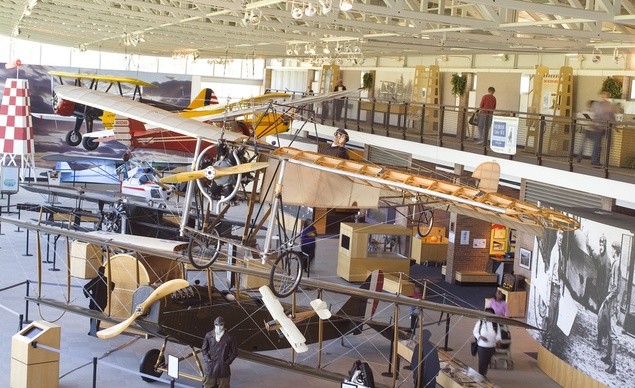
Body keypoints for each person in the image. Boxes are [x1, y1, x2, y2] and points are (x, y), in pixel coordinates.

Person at [600, 241, 621, 374]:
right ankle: (608, 357)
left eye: (613, 249)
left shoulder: (617, 264)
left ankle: (613, 365)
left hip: (612, 302)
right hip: (611, 300)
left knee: (613, 334)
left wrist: (609, 297)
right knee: (608, 329)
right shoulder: (615, 263)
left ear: (615, 250)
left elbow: (617, 288)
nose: (611, 251)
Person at [201, 316, 238, 388]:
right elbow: (204, 349)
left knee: (224, 386)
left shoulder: (230, 337)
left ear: (224, 324)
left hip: (223, 368)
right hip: (210, 368)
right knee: (208, 386)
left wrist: (227, 362)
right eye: (216, 325)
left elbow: (235, 352)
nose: (218, 327)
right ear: (214, 324)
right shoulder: (209, 335)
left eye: (221, 325)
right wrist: (207, 360)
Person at [83, 266, 114, 336]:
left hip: (95, 300)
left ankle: (93, 329)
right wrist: (109, 292)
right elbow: (113, 285)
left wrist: (89, 295)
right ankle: (96, 328)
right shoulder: (106, 280)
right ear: (104, 272)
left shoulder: (95, 280)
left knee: (93, 315)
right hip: (102, 300)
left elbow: (85, 288)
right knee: (99, 314)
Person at [546, 229, 564, 346]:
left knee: (556, 310)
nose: (561, 240)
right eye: (559, 238)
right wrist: (550, 288)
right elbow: (551, 270)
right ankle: (549, 334)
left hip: (557, 285)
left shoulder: (560, 250)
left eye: (562, 238)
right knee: (552, 310)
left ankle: (551, 333)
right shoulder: (554, 252)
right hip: (554, 285)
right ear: (557, 237)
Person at [589, 90, 616, 167]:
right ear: (601, 95)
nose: (605, 96)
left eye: (606, 94)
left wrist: (615, 125)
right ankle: (595, 161)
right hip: (599, 127)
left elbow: (612, 116)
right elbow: (595, 115)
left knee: (608, 144)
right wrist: (594, 123)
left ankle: (605, 161)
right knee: (597, 144)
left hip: (607, 127)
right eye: (604, 94)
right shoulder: (597, 105)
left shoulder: (609, 104)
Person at [473, 308, 502, 377]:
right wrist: (480, 337)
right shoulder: (480, 322)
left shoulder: (495, 323)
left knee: (487, 361)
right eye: (487, 314)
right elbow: (475, 331)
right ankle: (481, 375)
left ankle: (483, 374)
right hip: (482, 346)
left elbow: (498, 334)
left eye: (490, 314)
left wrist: (498, 340)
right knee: (482, 361)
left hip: (492, 346)